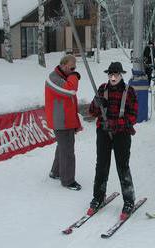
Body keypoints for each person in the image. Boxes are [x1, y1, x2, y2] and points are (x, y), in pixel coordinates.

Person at [88, 62, 138, 220]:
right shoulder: (102, 89)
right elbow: (92, 112)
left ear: (121, 75)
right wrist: (97, 104)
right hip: (103, 132)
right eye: (110, 74)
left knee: (122, 166)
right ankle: (98, 196)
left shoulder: (128, 91)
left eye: (116, 74)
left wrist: (116, 124)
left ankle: (129, 200)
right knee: (101, 165)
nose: (113, 77)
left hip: (121, 134)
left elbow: (133, 116)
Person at [45, 54, 82, 190]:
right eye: (72, 67)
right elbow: (70, 90)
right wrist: (74, 75)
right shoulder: (53, 79)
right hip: (61, 121)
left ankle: (56, 172)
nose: (74, 69)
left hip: (65, 119)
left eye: (75, 67)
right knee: (67, 150)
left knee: (62, 146)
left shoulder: (61, 77)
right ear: (64, 65)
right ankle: (68, 180)